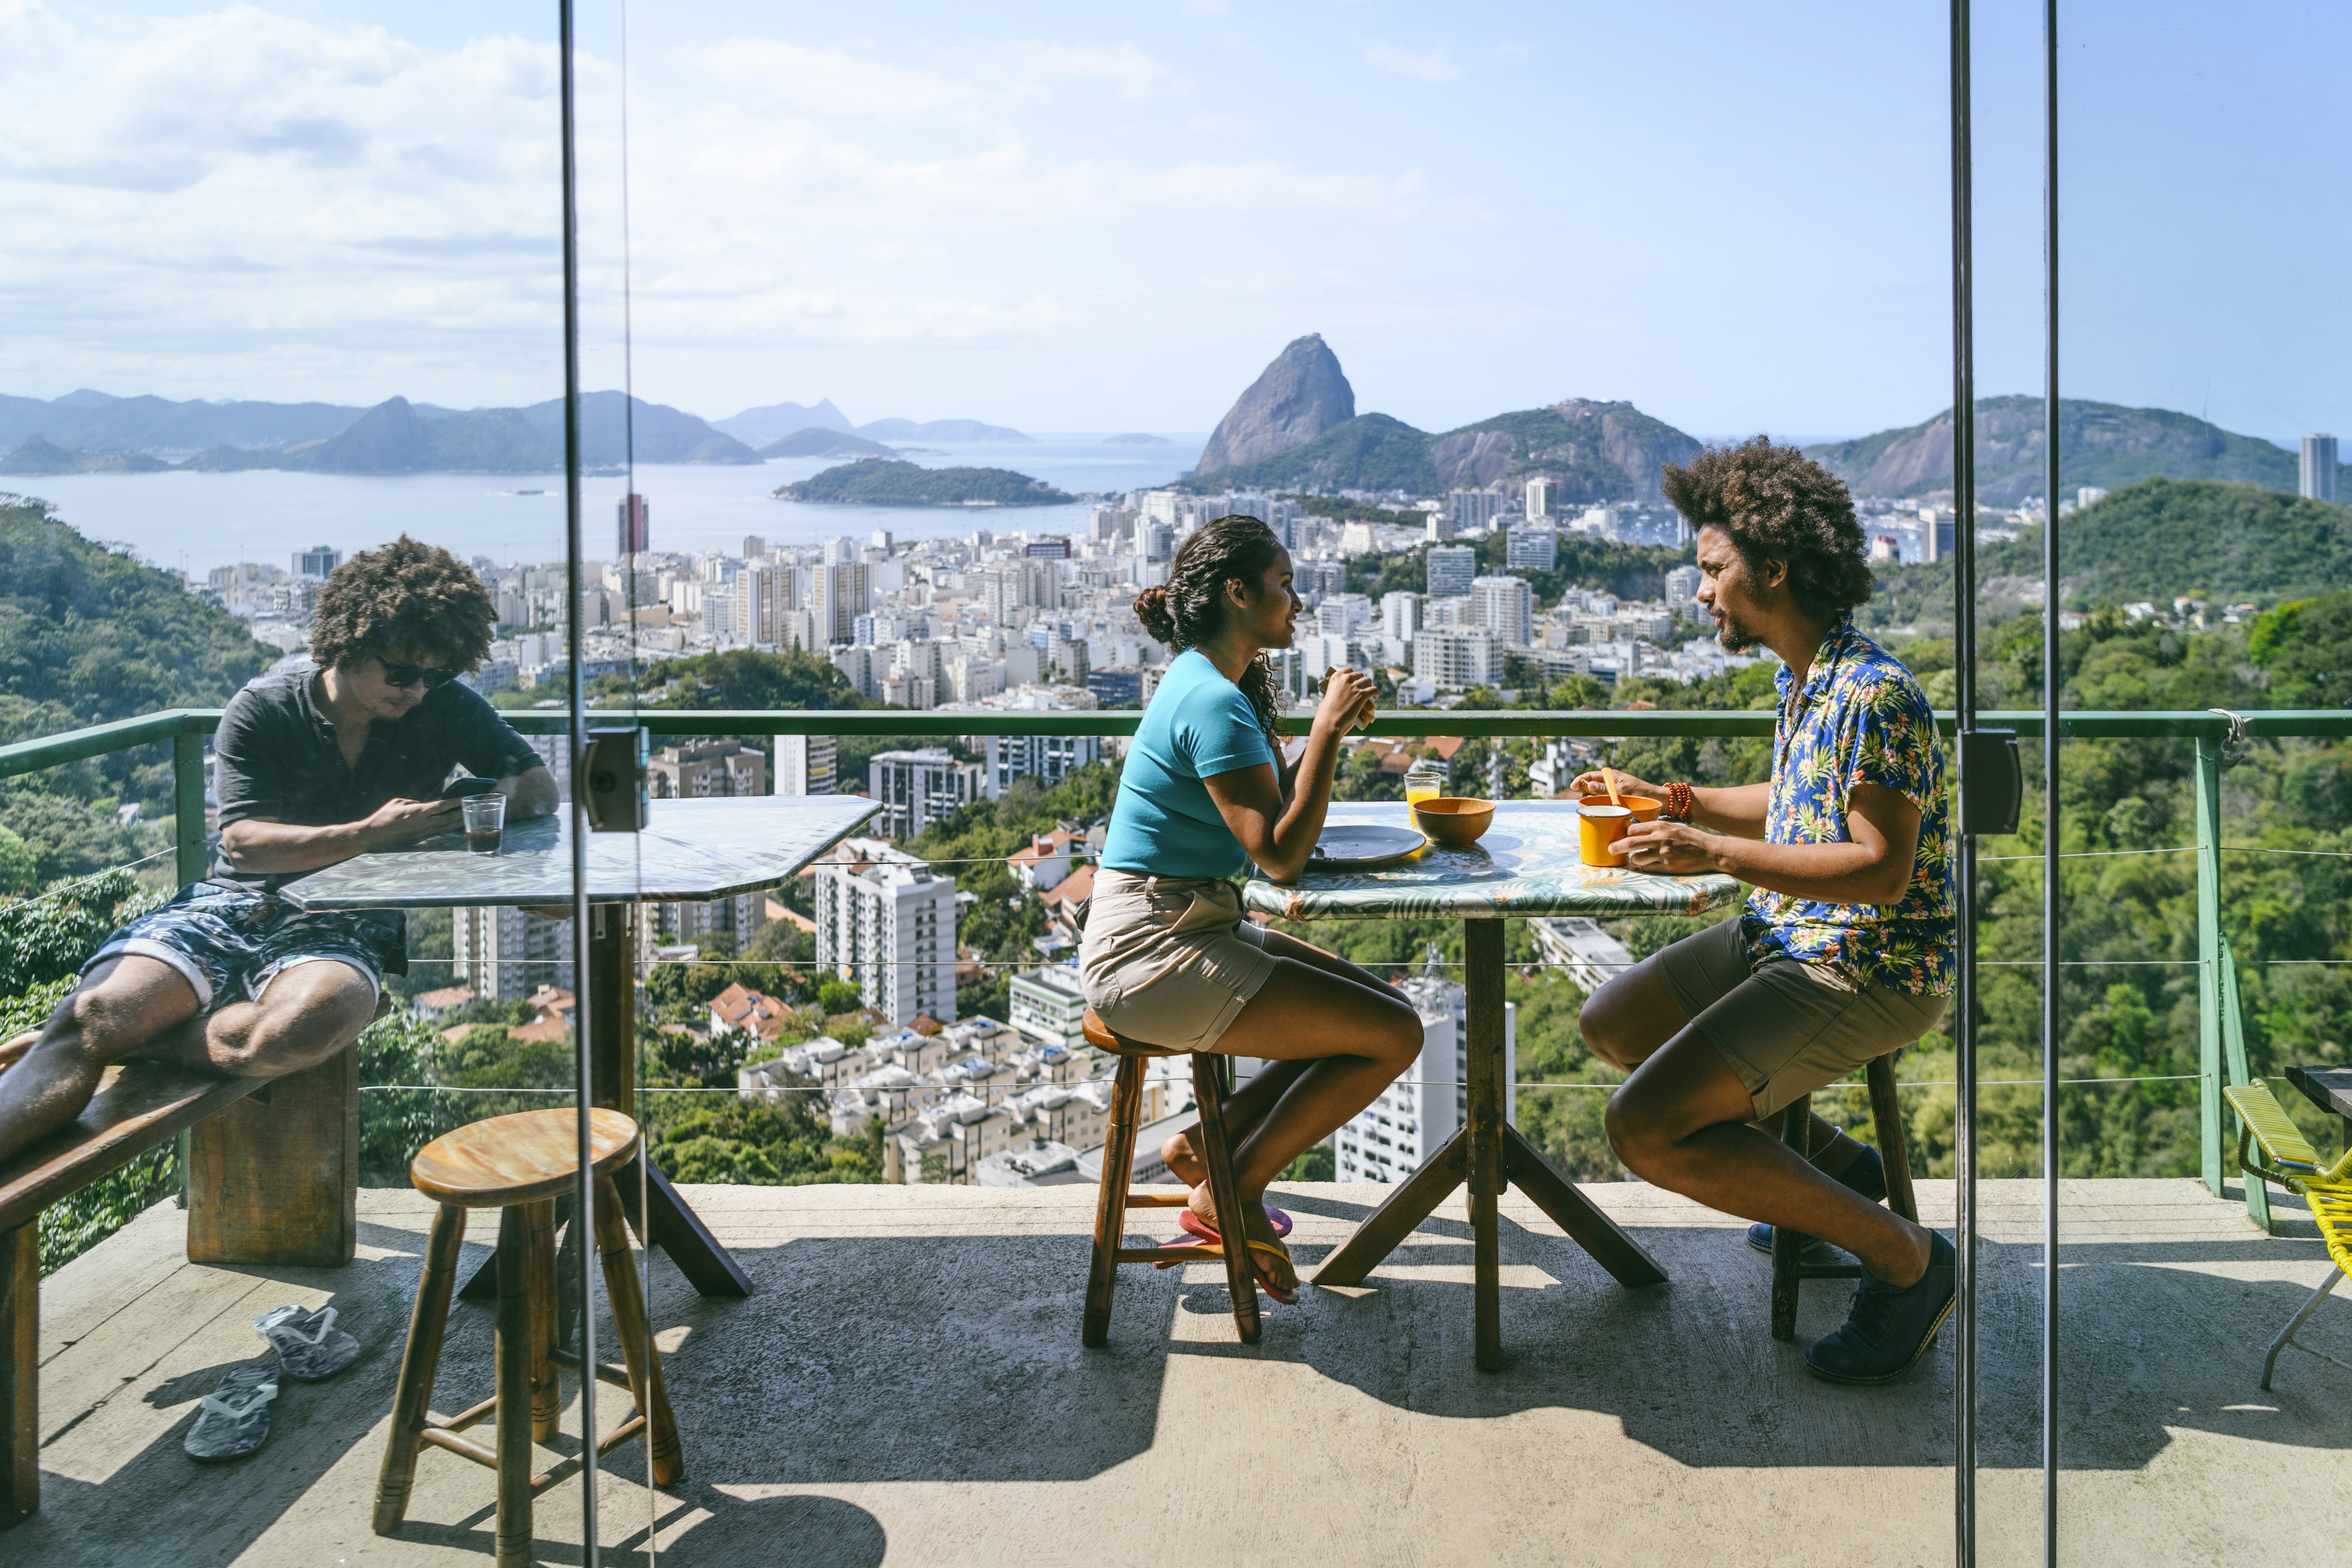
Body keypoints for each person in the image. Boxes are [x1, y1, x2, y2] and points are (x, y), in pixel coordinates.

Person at [1577, 438, 1958, 1385]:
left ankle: (1907, 1261)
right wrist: (1678, 803)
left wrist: (1708, 853)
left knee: (1643, 1128)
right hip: (1787, 934)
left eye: (1713, 571)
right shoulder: (1807, 676)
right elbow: (1796, 805)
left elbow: (1877, 870)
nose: (1701, 592)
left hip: (1864, 965)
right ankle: (1842, 1175)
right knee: (1611, 1021)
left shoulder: (1876, 695)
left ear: (1774, 569)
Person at [0, 537, 557, 1163]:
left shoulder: (445, 707)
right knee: (93, 1013)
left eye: (436, 674)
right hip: (228, 904)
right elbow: (244, 845)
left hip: (348, 922)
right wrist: (373, 834)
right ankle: (110, 1040)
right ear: (348, 640)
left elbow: (539, 789)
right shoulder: (264, 707)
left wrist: (462, 808)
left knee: (294, 1032)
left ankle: (139, 1040)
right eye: (401, 672)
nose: (419, 691)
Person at [1083, 514, 1423, 1305]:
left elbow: (1264, 814)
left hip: (1187, 922)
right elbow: (1279, 854)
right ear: (1238, 594)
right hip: (1151, 952)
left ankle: (1211, 1145)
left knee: (1378, 1011)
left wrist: (1319, 740)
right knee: (1394, 1036)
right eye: (1284, 584)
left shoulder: (1208, 681)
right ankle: (1229, 1186)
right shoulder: (1215, 701)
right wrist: (1329, 733)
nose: (1296, 602)